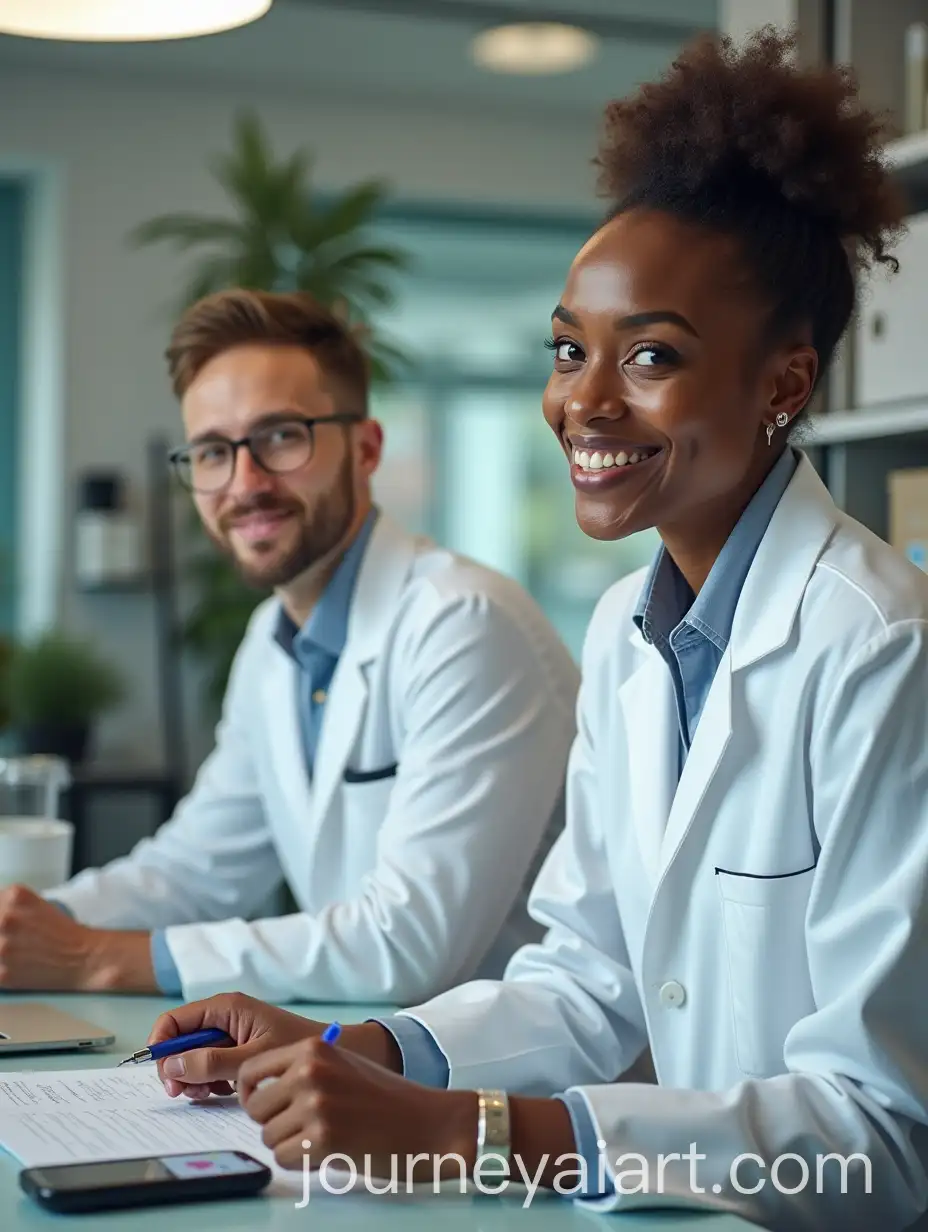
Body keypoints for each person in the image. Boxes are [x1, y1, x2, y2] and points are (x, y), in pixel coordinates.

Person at [146, 29, 928, 1232]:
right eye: (569, 350)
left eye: (651, 354)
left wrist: (471, 1133)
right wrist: (355, 1048)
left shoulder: (879, 648)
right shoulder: (627, 632)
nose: (584, 401)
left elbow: (883, 1142)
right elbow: (585, 980)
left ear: (783, 382)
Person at [0, 289, 579, 1003]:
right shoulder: (273, 643)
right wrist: (31, 926)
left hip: (512, 1062)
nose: (245, 484)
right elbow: (194, 871)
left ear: (365, 449)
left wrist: (93, 958)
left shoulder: (465, 624)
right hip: (375, 1051)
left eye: (280, 437)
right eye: (213, 451)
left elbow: (410, 945)